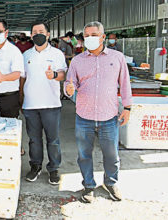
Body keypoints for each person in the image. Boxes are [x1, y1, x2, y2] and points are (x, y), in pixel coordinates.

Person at [64, 21, 132, 203]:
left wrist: (127, 107)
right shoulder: (77, 61)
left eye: (94, 35)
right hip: (83, 116)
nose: (90, 39)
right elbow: (69, 84)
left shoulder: (117, 57)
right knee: (84, 154)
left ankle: (110, 182)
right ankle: (88, 185)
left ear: (103, 37)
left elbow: (125, 84)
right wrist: (69, 89)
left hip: (109, 116)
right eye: (87, 36)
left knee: (111, 154)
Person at [20, 22, 67, 185]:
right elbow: (23, 78)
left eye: (41, 31)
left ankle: (53, 169)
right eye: (34, 32)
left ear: (48, 34)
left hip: (51, 104)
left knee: (53, 140)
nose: (37, 34)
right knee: (34, 139)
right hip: (30, 105)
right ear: (31, 35)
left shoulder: (57, 54)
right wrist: (20, 99)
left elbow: (63, 74)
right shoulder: (26, 55)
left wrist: (54, 74)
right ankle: (35, 166)